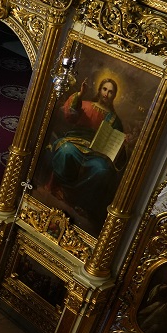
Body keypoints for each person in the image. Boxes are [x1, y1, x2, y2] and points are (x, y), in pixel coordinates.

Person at [46, 78, 126, 227]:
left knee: (102, 169)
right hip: (75, 141)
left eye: (110, 92)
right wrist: (80, 95)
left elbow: (116, 145)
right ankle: (60, 189)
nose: (106, 94)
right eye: (104, 89)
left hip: (97, 152)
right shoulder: (86, 105)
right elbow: (70, 116)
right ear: (99, 90)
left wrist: (124, 142)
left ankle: (80, 202)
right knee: (66, 151)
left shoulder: (115, 121)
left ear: (114, 96)